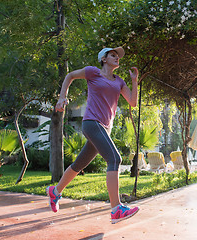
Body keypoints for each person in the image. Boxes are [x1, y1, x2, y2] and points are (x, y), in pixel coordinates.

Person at [46, 47, 139, 224]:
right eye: (113, 55)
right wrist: (61, 97)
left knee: (79, 164)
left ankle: (55, 191)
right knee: (115, 159)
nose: (117, 57)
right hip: (91, 123)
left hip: (105, 129)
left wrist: (134, 82)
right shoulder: (92, 72)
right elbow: (70, 76)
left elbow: (133, 102)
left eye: (117, 56)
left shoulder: (119, 82)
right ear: (103, 59)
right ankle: (116, 209)